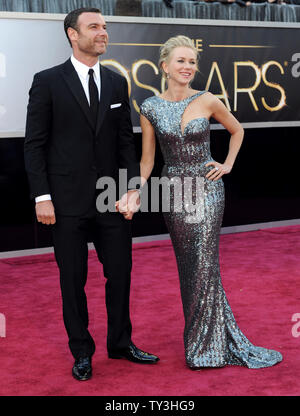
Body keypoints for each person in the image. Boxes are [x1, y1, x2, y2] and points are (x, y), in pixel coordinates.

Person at [24, 7, 159, 382]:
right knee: (73, 279)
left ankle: (120, 343)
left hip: (110, 200)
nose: (103, 32)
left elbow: (124, 145)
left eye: (105, 26)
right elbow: (34, 145)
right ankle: (82, 351)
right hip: (65, 203)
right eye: (94, 26)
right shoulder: (48, 81)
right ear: (72, 33)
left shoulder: (117, 83)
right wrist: (42, 197)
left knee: (121, 273)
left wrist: (132, 188)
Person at [135, 35, 282, 368]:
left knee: (205, 264)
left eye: (192, 62)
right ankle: (207, 342)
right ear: (165, 66)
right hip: (173, 193)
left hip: (208, 191)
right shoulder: (150, 107)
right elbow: (147, 161)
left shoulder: (208, 99)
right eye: (181, 61)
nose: (188, 67)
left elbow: (237, 129)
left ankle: (204, 349)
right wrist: (134, 189)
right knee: (190, 269)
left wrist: (227, 164)